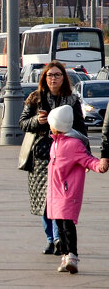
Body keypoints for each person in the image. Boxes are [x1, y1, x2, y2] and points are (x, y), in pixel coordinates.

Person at [20, 61, 88, 257]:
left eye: (57, 75)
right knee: (45, 202)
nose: (53, 78)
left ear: (63, 78)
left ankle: (59, 240)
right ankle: (52, 239)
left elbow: (81, 128)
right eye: (50, 75)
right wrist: (36, 121)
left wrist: (86, 158)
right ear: (44, 78)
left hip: (66, 157)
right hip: (41, 157)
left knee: (61, 200)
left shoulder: (72, 100)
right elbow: (22, 123)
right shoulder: (35, 99)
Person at [45, 103, 108, 273]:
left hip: (67, 191)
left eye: (51, 123)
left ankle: (72, 254)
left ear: (57, 125)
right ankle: (65, 256)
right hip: (54, 191)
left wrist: (100, 165)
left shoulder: (73, 144)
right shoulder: (55, 143)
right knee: (58, 224)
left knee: (67, 225)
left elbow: (87, 160)